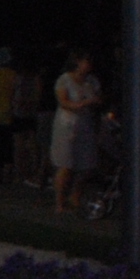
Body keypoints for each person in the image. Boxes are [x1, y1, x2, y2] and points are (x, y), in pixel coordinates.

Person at [50, 51, 102, 214]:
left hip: (85, 124)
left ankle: (75, 195)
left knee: (86, 165)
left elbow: (99, 99)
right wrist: (84, 103)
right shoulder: (64, 80)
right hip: (67, 125)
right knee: (65, 165)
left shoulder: (91, 81)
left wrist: (96, 104)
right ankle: (59, 202)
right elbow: (64, 102)